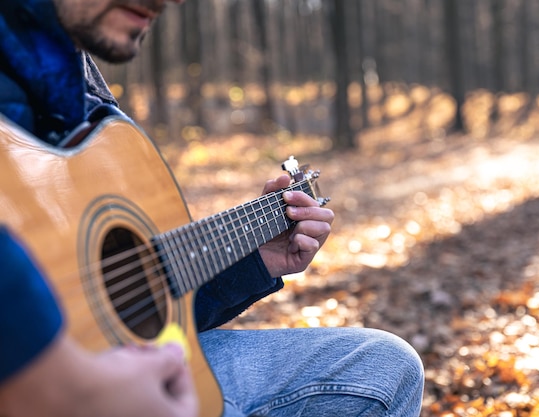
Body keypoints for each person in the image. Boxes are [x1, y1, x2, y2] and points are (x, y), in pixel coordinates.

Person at [0, 0, 425, 416]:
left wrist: (256, 260)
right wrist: (60, 382)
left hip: (111, 363)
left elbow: (116, 301)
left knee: (385, 366)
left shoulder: (73, 79)